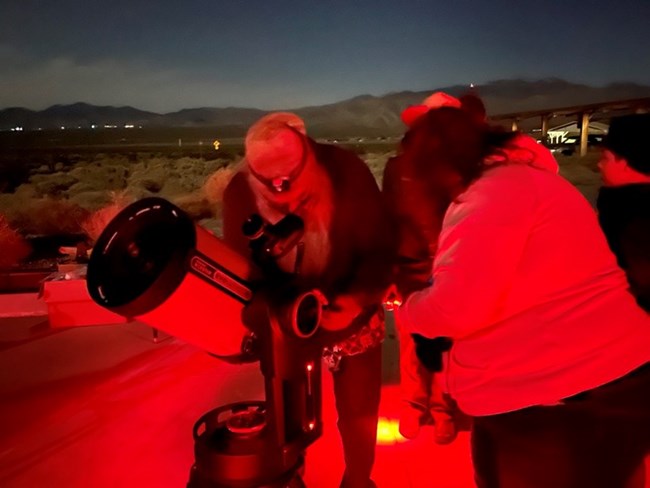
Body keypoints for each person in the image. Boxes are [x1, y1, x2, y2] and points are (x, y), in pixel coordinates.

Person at [395, 106, 650, 488]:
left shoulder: (491, 192)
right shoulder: (524, 181)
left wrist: (410, 308)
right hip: (603, 385)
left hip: (557, 404)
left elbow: (457, 309)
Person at [222, 112, 396, 488]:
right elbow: (240, 273)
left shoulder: (347, 172)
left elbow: (381, 249)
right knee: (289, 418)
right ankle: (290, 478)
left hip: (352, 315)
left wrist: (357, 298)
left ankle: (358, 480)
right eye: (268, 185)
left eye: (289, 181)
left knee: (360, 414)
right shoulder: (240, 191)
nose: (282, 194)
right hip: (286, 324)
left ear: (309, 157)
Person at [382, 92, 461, 443]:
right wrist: (388, 274)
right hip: (408, 268)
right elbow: (387, 221)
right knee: (412, 343)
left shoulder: (465, 169)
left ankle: (443, 409)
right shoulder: (397, 169)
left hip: (453, 269)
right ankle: (413, 405)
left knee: (448, 345)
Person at [597, 113, 650, 311]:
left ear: (628, 161)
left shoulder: (636, 222)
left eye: (605, 157)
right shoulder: (623, 209)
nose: (599, 165)